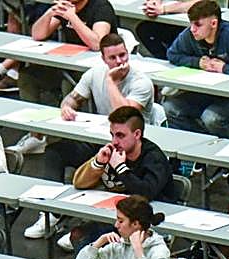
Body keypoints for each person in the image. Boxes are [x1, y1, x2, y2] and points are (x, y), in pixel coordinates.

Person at [43, 32, 155, 184]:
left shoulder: (141, 82)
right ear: (103, 59)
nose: (119, 61)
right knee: (54, 152)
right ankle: (49, 202)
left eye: (123, 55)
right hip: (102, 140)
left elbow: (125, 116)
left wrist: (110, 82)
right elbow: (72, 98)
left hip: (132, 146)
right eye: (112, 58)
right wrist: (66, 107)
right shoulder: (94, 73)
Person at [164, 0, 229, 136]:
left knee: (211, 118)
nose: (192, 29)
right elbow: (172, 54)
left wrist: (224, 68)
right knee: (170, 107)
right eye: (191, 23)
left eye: (198, 24)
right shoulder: (190, 34)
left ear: (213, 23)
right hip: (209, 93)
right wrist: (197, 62)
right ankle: (200, 143)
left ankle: (222, 146)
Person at [69, 106, 173, 217]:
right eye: (112, 135)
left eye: (120, 136)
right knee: (77, 233)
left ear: (137, 134)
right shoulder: (111, 151)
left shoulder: (154, 158)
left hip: (144, 220)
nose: (114, 141)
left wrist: (120, 168)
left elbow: (146, 194)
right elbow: (79, 183)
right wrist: (98, 163)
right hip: (113, 214)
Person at [74, 194, 171, 259]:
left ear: (135, 224)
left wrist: (138, 250)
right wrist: (99, 242)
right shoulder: (117, 246)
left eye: (121, 221)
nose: (116, 225)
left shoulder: (159, 250)